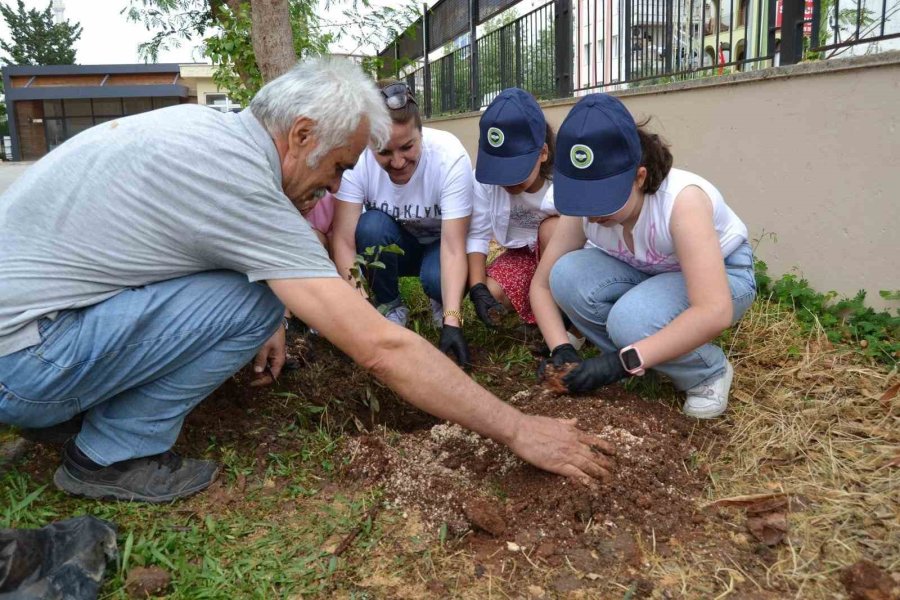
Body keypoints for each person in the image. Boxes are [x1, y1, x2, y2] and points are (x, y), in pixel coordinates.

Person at [0, 57, 614, 503]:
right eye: (339, 165)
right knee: (250, 299)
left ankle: (72, 406)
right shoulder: (241, 180)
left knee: (262, 299)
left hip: (31, 332)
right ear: (300, 134)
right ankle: (109, 455)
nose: (336, 184)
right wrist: (517, 427)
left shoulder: (211, 136)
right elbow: (380, 346)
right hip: (25, 361)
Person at [531, 93, 756, 418]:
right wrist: (561, 349)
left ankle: (706, 371)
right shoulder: (583, 208)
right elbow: (543, 286)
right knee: (565, 274)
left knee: (631, 321)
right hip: (648, 269)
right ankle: (649, 353)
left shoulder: (681, 202)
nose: (591, 215)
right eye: (583, 198)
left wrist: (622, 363)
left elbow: (714, 309)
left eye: (601, 200)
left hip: (724, 276)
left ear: (639, 176)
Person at [331, 81, 473, 367]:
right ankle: (390, 304)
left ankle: (441, 300)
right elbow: (343, 240)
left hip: (440, 244)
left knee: (436, 278)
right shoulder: (357, 160)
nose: (397, 162)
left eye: (407, 147)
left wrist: (452, 322)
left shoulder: (449, 157)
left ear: (421, 133)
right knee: (370, 226)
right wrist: (360, 309)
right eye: (384, 152)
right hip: (397, 244)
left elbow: (455, 247)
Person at [467, 88, 559, 329]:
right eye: (499, 171)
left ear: (542, 153)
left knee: (553, 228)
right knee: (492, 292)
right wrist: (478, 288)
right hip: (522, 256)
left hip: (561, 256)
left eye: (516, 171)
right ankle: (537, 306)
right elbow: (477, 234)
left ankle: (562, 318)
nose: (507, 181)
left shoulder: (561, 184)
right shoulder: (483, 182)